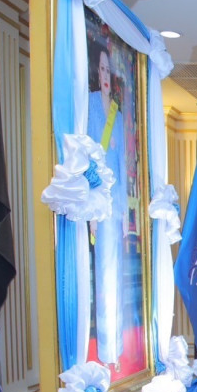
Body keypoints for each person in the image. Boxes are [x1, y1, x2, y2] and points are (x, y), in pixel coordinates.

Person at [88, 42, 127, 367]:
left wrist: (125, 214)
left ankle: (117, 345)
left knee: (117, 274)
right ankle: (105, 348)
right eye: (100, 68)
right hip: (92, 204)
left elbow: (124, 165)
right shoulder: (88, 106)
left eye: (108, 70)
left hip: (114, 206)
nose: (104, 75)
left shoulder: (118, 114)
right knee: (102, 273)